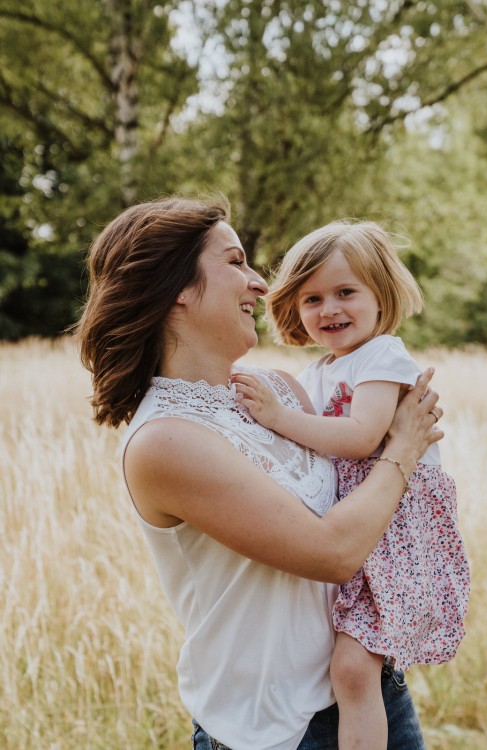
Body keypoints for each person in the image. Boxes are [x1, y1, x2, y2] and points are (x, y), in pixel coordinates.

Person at [76, 196, 444, 750]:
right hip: (272, 732)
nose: (261, 284)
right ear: (178, 286)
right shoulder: (164, 441)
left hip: (367, 693)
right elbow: (334, 552)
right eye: (236, 261)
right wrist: (404, 448)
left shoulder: (279, 389)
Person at [231, 220, 470, 750]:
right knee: (348, 663)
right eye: (312, 298)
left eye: (345, 292)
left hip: (395, 526)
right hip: (361, 524)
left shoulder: (384, 356)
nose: (329, 309)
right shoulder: (320, 370)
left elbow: (360, 438)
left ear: (380, 294)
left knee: (355, 669)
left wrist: (274, 416)